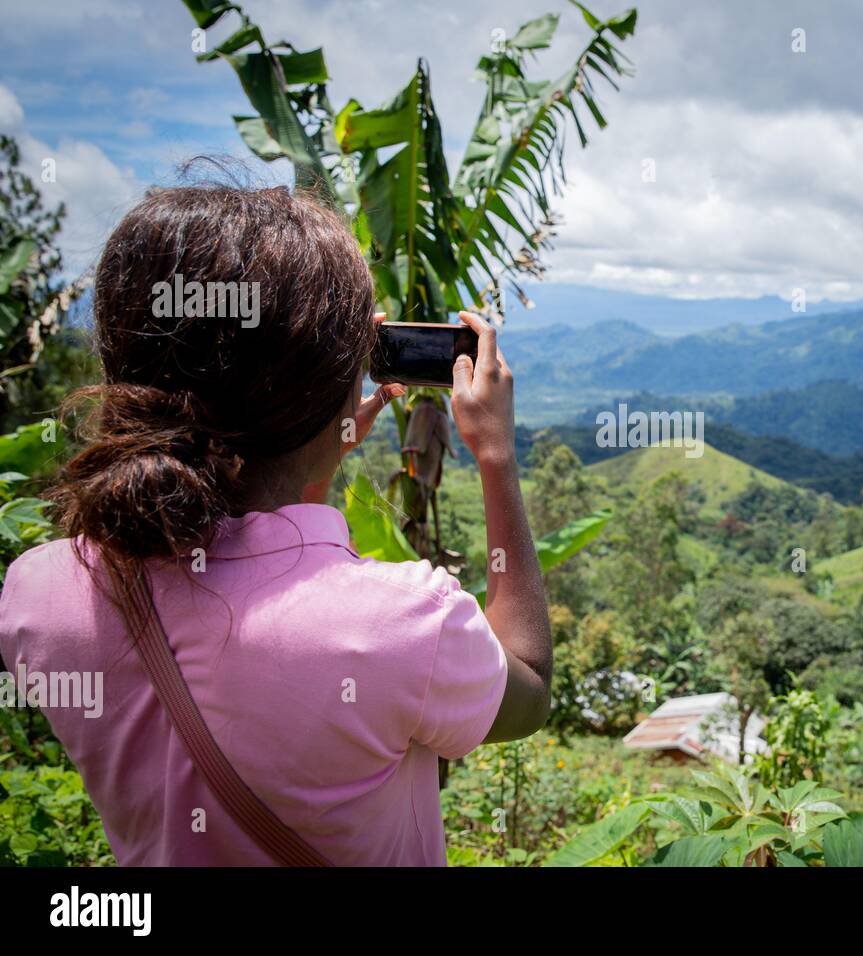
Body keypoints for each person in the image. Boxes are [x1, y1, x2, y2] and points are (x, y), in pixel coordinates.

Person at [0, 184, 552, 865]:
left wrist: (310, 447)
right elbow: (528, 685)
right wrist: (496, 454)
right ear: (326, 399)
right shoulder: (400, 626)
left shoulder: (37, 596)